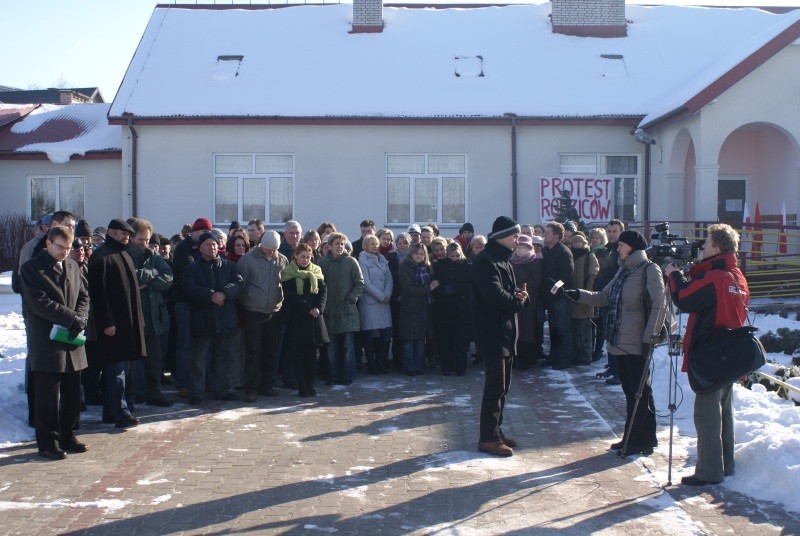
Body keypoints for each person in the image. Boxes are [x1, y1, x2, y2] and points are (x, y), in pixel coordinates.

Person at [564, 229, 664, 456]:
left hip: (639, 341)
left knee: (640, 391)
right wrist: (577, 294)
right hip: (620, 339)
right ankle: (631, 436)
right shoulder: (624, 270)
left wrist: (650, 337)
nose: (617, 248)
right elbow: (602, 297)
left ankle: (644, 440)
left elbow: (659, 305)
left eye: (621, 244)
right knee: (630, 391)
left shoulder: (649, 269)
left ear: (633, 247)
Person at [666, 223, 748, 486]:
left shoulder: (716, 277)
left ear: (717, 248)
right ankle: (725, 464)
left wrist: (674, 276)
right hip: (728, 352)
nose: (701, 247)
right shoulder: (736, 275)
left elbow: (685, 298)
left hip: (710, 354)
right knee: (723, 411)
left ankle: (709, 471)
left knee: (707, 415)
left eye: (706, 243)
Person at [20, 225, 90, 460]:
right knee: (48, 396)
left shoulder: (72, 265)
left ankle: (68, 434)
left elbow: (83, 295)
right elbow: (40, 303)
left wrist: (81, 318)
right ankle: (48, 441)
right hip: (47, 340)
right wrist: (73, 318)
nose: (64, 252)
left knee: (72, 392)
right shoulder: (31, 269)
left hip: (71, 339)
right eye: (61, 247)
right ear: (48, 243)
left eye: (68, 248)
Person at [472, 216, 528, 457]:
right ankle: (488, 438)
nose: (518, 240)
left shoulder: (504, 260)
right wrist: (517, 301)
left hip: (506, 332)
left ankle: (496, 430)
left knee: (503, 387)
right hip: (492, 332)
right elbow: (494, 295)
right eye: (514, 235)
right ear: (502, 236)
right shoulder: (485, 261)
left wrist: (520, 297)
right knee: (494, 387)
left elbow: (510, 292)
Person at [87, 219, 147, 428]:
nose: (126, 238)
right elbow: (98, 294)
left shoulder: (123, 255)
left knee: (122, 369)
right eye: (123, 234)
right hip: (113, 326)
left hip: (127, 324)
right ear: (111, 232)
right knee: (116, 371)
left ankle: (110, 411)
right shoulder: (101, 257)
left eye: (128, 235)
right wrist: (107, 322)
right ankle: (120, 412)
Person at [182, 231, 244, 404]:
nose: (212, 247)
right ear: (201, 247)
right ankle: (196, 391)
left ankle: (223, 389)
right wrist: (210, 295)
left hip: (225, 318)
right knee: (198, 358)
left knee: (225, 356)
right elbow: (188, 287)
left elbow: (239, 283)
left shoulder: (229, 266)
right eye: (208, 244)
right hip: (202, 317)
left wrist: (224, 294)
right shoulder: (191, 268)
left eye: (215, 244)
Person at [127, 218, 174, 408]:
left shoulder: (155, 256)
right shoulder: (125, 255)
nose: (144, 243)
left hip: (155, 316)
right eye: (141, 239)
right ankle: (135, 393)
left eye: (146, 239)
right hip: (134, 315)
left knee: (155, 358)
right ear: (131, 237)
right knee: (135, 359)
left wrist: (145, 282)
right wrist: (151, 274)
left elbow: (168, 278)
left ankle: (154, 393)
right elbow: (130, 277)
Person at [238, 230, 288, 402]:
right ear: (262, 246)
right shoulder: (248, 259)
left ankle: (267, 385)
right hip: (253, 310)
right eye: (269, 249)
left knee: (271, 351)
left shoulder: (282, 260)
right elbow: (240, 284)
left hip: (274, 311)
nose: (272, 252)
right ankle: (251, 388)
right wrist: (245, 304)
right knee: (253, 351)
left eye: (275, 249)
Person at [280, 243, 329, 397]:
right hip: (298, 318)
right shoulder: (288, 273)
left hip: (315, 318)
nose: (305, 260)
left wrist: (318, 309)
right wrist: (307, 308)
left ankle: (310, 384)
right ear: (295, 256)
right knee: (299, 353)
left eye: (308, 257)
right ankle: (302, 386)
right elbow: (291, 295)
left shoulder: (316, 270)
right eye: (302, 256)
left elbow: (323, 292)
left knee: (313, 354)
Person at [171, 218, 211, 397]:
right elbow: (193, 271)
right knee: (186, 344)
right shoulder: (183, 248)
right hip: (185, 302)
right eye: (202, 233)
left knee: (203, 346)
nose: (205, 237)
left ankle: (201, 382)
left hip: (202, 303)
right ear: (193, 233)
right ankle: (183, 383)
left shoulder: (204, 248)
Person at [319, 232, 364, 386]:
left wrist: (351, 298)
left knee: (347, 346)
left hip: (347, 311)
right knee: (331, 346)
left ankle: (348, 375)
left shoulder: (351, 262)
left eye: (342, 244)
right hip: (329, 311)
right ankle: (333, 375)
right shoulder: (323, 263)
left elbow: (359, 283)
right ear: (329, 246)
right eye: (336, 244)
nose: (339, 247)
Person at [397, 243, 438, 376]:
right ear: (411, 253)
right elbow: (409, 289)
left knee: (420, 340)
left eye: (422, 253)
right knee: (409, 340)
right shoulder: (404, 268)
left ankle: (418, 365)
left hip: (424, 309)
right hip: (409, 309)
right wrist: (429, 288)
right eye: (416, 253)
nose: (419, 256)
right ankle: (409, 367)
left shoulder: (427, 268)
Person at [432, 242, 472, 376]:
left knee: (460, 342)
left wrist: (454, 288)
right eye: (451, 256)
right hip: (443, 308)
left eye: (456, 256)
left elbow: (471, 285)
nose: (454, 258)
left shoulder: (467, 265)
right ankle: (446, 368)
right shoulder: (440, 265)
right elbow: (434, 284)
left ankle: (460, 368)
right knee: (444, 342)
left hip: (461, 309)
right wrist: (444, 289)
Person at [540, 221, 574, 370]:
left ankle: (564, 359)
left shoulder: (563, 252)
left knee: (562, 329)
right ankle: (553, 357)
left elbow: (565, 277)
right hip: (550, 298)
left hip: (560, 298)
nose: (544, 235)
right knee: (553, 330)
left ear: (556, 236)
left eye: (547, 232)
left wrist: (553, 290)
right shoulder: (547, 251)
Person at [357, 234, 393, 374]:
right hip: (370, 303)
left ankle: (381, 362)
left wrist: (387, 295)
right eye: (372, 244)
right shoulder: (362, 260)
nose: (375, 246)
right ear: (365, 246)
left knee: (385, 336)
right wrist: (380, 295)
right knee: (369, 336)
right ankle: (371, 363)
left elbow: (389, 278)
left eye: (376, 243)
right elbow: (365, 282)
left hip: (384, 302)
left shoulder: (383, 259)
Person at [595, 219, 625, 383]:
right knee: (608, 334)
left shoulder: (622, 251)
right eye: (609, 231)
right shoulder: (607, 250)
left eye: (615, 231)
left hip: (615, 299)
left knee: (615, 334)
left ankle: (619, 372)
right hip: (604, 297)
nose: (611, 234)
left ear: (621, 232)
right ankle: (612, 367)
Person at [510, 234, 542, 370]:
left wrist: (522, 288)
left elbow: (536, 282)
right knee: (514, 330)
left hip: (529, 300)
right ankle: (514, 359)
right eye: (518, 247)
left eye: (523, 247)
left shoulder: (535, 262)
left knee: (527, 330)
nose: (520, 250)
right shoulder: (511, 261)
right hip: (513, 300)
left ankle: (526, 359)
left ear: (529, 248)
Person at [569, 232, 599, 365]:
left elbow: (594, 274)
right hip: (572, 297)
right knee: (574, 328)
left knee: (585, 329)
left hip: (585, 297)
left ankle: (586, 356)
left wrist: (588, 292)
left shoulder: (589, 256)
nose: (576, 244)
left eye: (579, 242)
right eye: (574, 242)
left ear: (584, 243)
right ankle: (575, 354)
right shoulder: (570, 256)